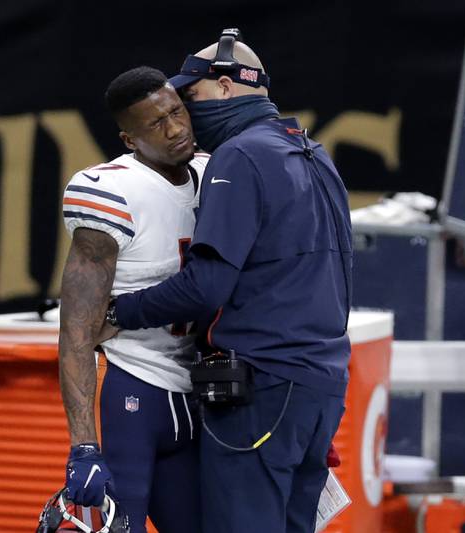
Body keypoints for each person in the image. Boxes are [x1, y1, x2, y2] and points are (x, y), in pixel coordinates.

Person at [107, 30, 353, 533]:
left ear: (223, 89)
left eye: (189, 98)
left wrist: (118, 313)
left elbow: (206, 287)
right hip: (321, 384)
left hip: (264, 383)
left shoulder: (240, 156)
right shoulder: (315, 154)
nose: (184, 118)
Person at [58, 66, 208, 533]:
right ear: (129, 139)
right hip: (138, 388)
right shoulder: (113, 191)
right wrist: (83, 446)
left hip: (205, 387)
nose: (176, 128)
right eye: (156, 124)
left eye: (177, 112)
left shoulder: (214, 171)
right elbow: (78, 329)